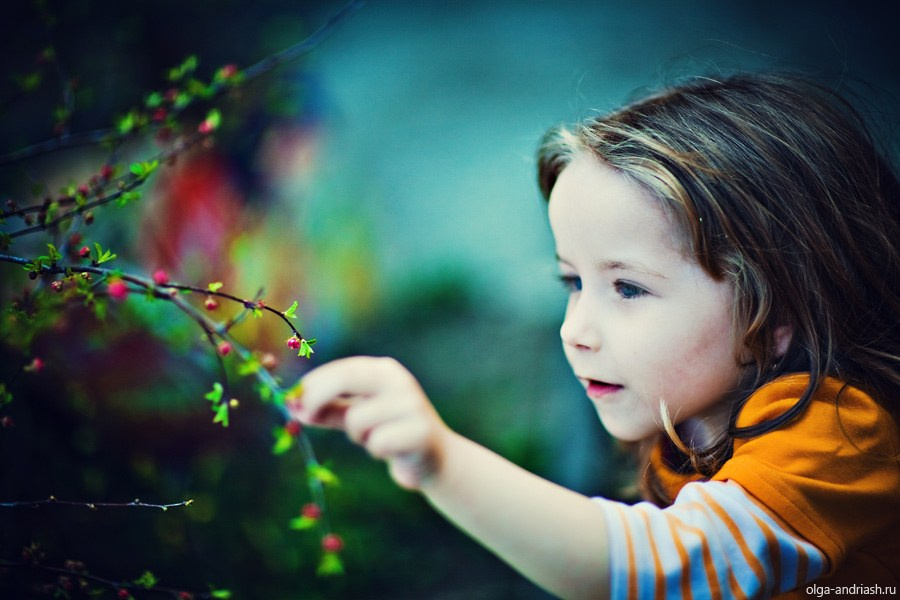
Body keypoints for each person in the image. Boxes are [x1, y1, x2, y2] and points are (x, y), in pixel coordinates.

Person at [289, 72, 900, 599]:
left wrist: (443, 462)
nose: (574, 331)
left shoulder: (842, 438)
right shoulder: (687, 425)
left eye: (628, 288)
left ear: (777, 314)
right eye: (572, 282)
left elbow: (659, 570)